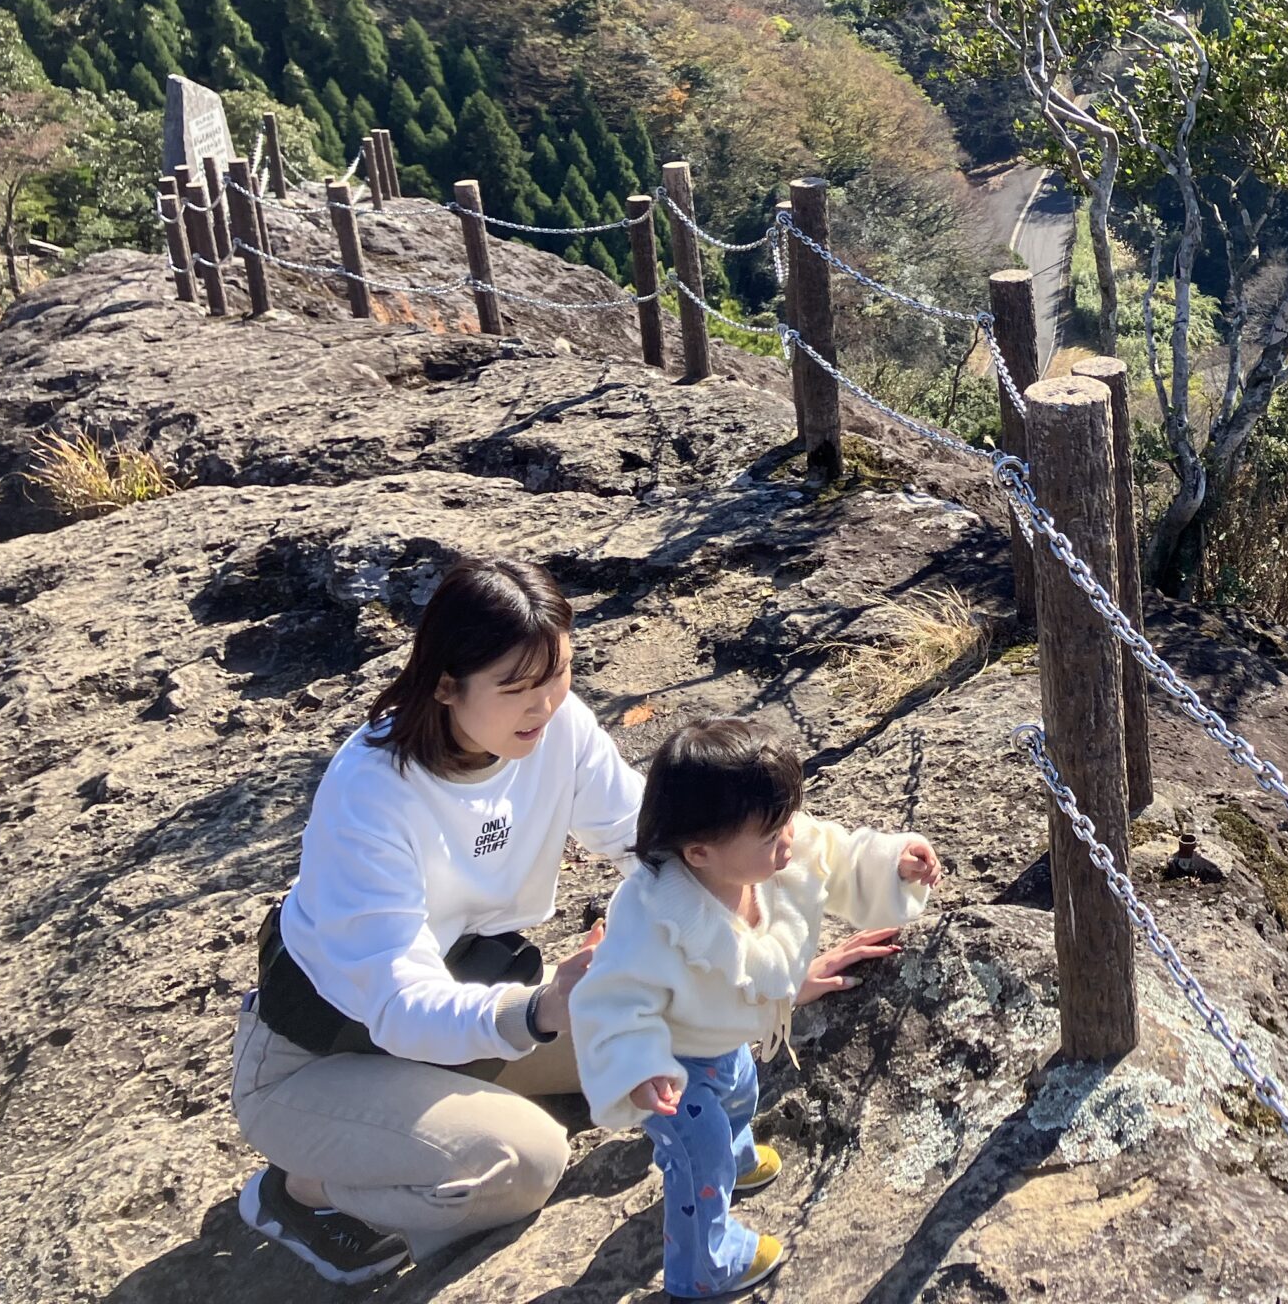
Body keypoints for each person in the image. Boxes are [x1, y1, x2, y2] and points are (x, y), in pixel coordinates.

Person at [230, 556, 644, 1284]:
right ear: (447, 685)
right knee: (521, 1164)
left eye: (560, 676)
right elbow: (395, 1000)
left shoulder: (558, 730)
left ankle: (446, 1113)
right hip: (318, 1063)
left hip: (451, 1025)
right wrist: (541, 1010)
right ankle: (296, 1191)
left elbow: (652, 836)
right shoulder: (373, 791)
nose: (546, 706)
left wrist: (765, 949)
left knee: (660, 1032)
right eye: (518, 688)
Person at [574, 717, 941, 1299]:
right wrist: (637, 1068)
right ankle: (704, 1265)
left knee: (740, 1093)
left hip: (723, 1041)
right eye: (770, 835)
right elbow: (613, 999)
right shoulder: (649, 915)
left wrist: (894, 862)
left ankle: (735, 1158)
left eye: (787, 819)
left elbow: (839, 857)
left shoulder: (778, 851)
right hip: (670, 1064)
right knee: (699, 1154)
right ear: (698, 852)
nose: (789, 840)